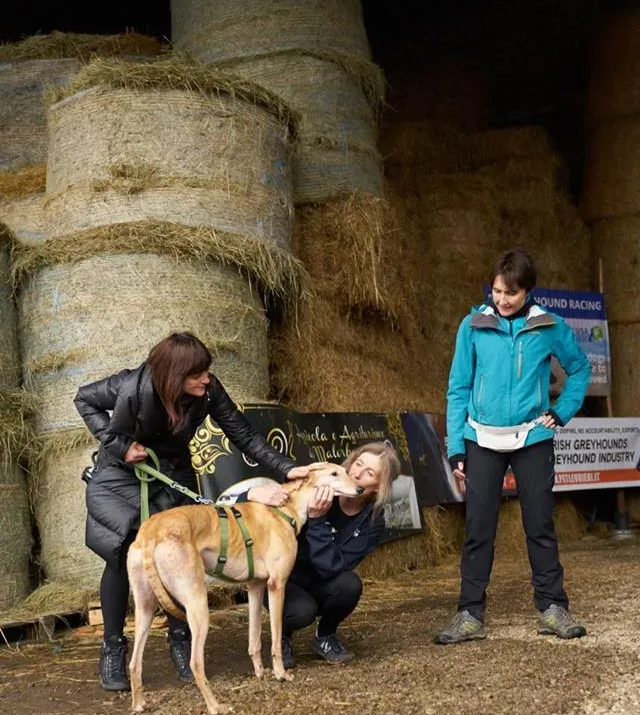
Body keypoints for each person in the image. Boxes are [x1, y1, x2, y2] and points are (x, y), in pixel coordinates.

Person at [74, 332, 313, 692]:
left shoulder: (210, 391)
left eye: (207, 372)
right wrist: (120, 445)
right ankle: (113, 647)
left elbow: (243, 433)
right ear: (172, 375)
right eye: (196, 374)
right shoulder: (130, 385)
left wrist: (286, 468)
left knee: (182, 555)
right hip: (122, 473)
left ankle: (181, 639)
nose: (206, 379)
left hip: (173, 473)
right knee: (124, 550)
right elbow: (84, 399)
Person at [435, 248, 591, 645]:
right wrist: (456, 448)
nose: (501, 300)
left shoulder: (549, 325)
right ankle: (469, 614)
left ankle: (552, 608)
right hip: (481, 439)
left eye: (510, 293)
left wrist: (562, 411)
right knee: (478, 528)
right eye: (496, 290)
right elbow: (458, 388)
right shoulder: (472, 324)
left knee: (539, 523)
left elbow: (579, 367)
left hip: (532, 437)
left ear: (529, 292)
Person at [260, 440, 401, 668]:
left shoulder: (372, 521)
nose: (357, 474)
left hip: (321, 579)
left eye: (369, 473)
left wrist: (316, 521)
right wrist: (253, 492)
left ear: (379, 486)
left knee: (350, 585)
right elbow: (261, 512)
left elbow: (333, 568)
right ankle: (282, 637)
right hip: (284, 579)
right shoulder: (316, 483)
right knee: (301, 612)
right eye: (358, 464)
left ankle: (325, 636)